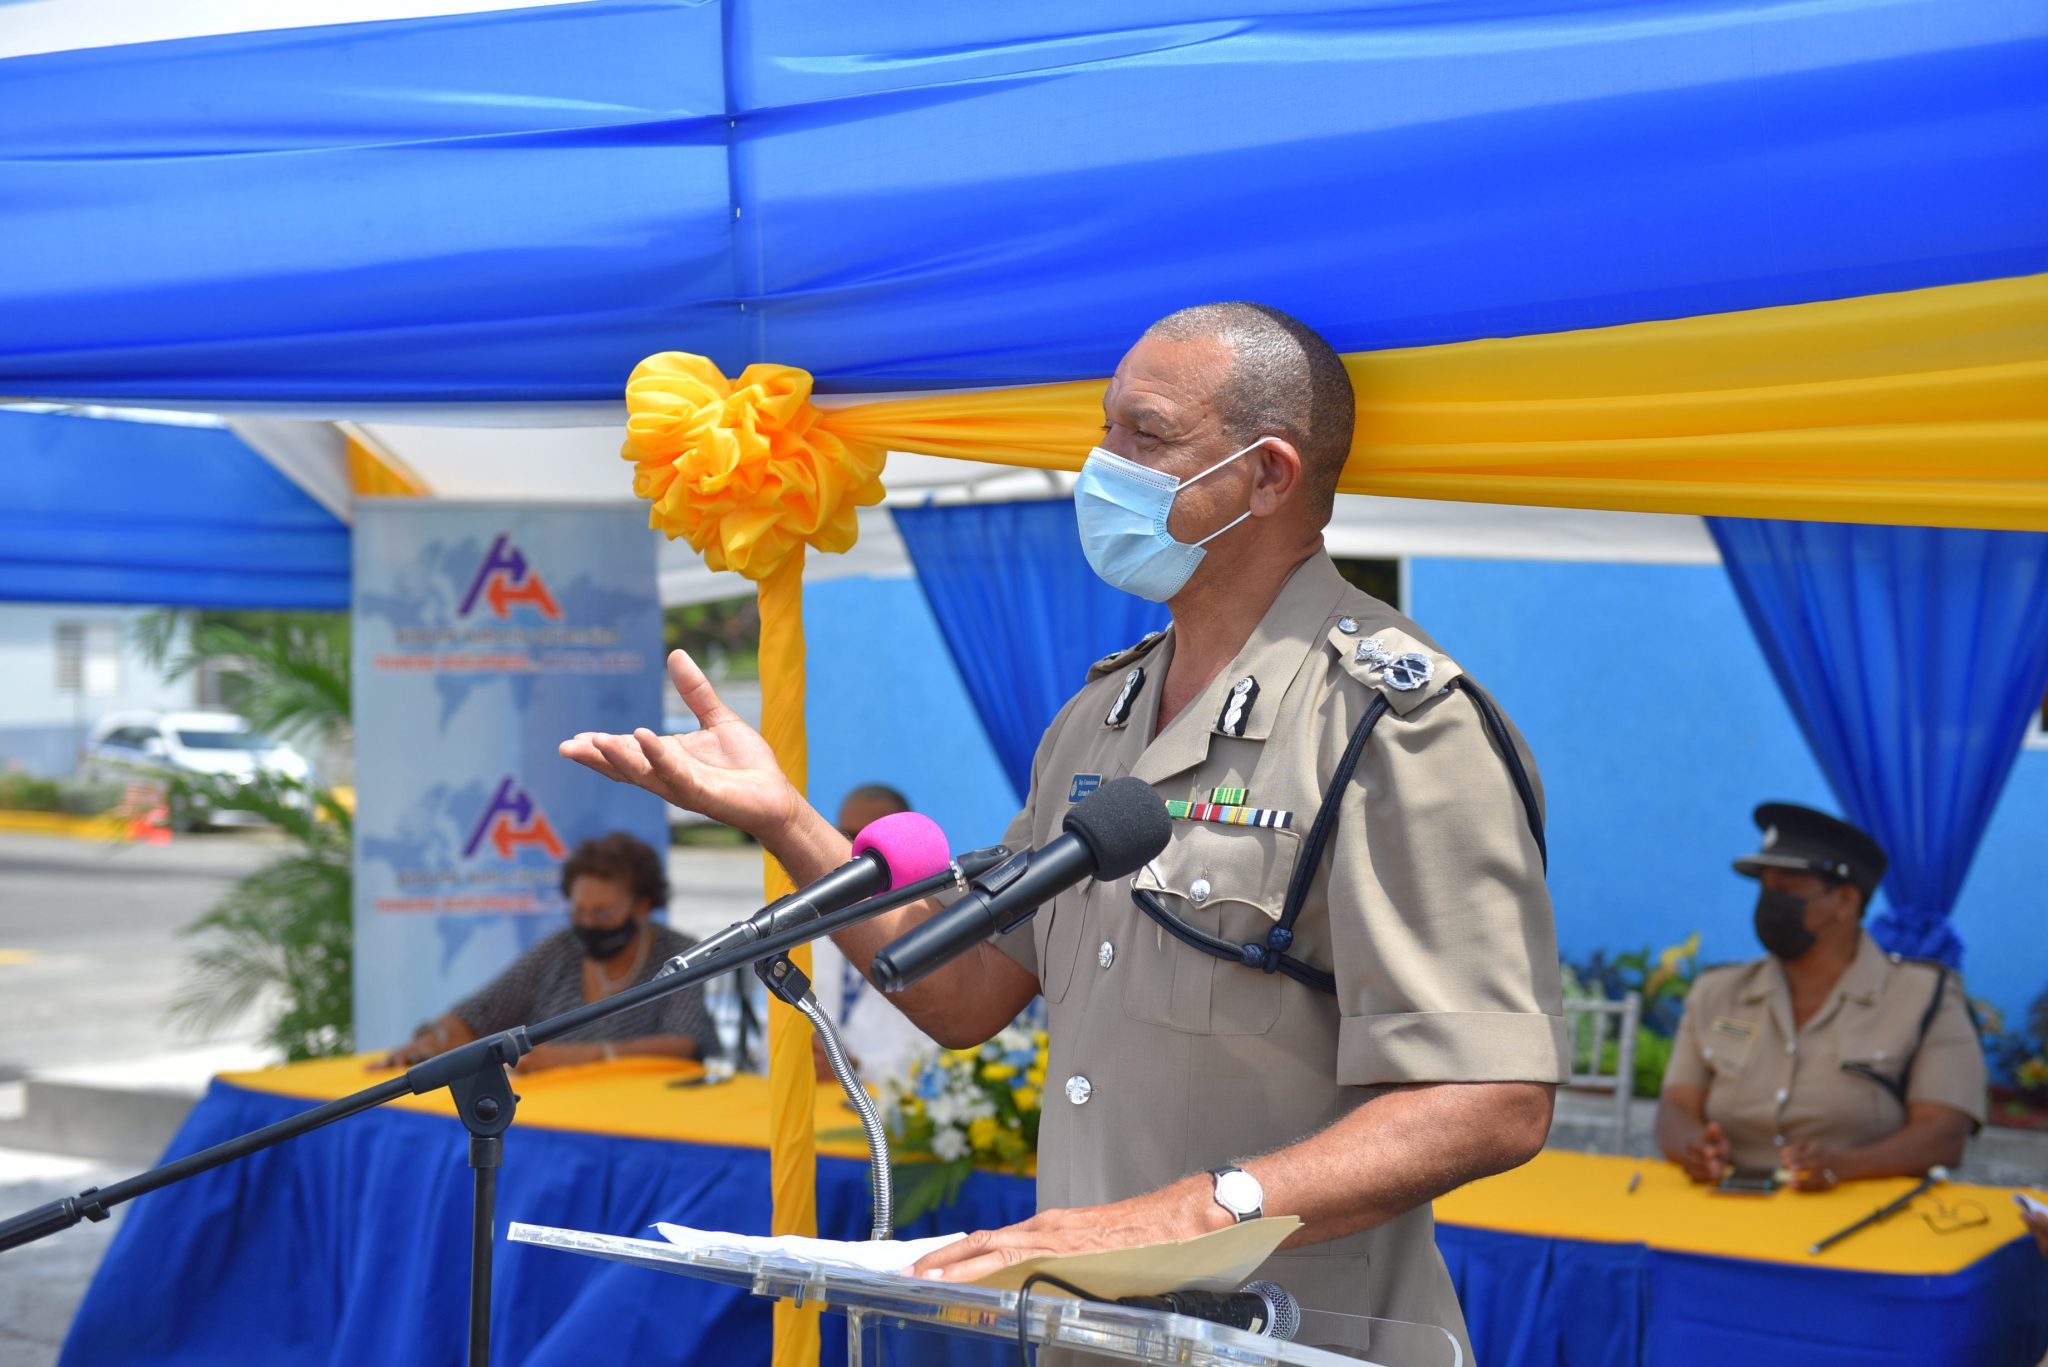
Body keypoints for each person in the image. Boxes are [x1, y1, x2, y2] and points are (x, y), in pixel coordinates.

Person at [562, 302, 1566, 1356]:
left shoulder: (1391, 724)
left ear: (1267, 476)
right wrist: (785, 819)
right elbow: (960, 994)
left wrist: (1194, 1210)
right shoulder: (1101, 716)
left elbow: (1489, 1095)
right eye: (1102, 428)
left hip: (1290, 1337)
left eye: (1145, 434)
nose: (1101, 464)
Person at [1657, 803, 1986, 1190]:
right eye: (1764, 887)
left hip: (1859, 1219)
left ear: (1846, 902)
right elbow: (1676, 1107)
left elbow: (1943, 1135)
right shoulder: (1718, 992)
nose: (1769, 903)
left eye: (1788, 889)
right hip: (1729, 1206)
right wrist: (1694, 1147)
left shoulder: (1923, 997)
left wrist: (1845, 1166)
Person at [375, 831, 719, 1073]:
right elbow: (479, 1014)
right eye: (579, 912)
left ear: (642, 906)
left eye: (603, 914)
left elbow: (683, 1044)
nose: (588, 924)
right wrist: (432, 1041)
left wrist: (568, 1058)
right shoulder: (561, 950)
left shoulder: (679, 953)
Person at [808, 784, 938, 1085]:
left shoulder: (934, 928)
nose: (853, 854)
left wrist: (859, 1071)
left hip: (893, 1116)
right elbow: (772, 1033)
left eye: (869, 842)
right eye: (847, 837)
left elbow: (946, 1052)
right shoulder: (814, 921)